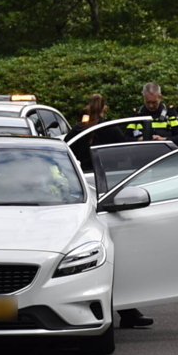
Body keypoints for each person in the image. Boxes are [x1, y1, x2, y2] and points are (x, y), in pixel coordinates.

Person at [64, 94, 151, 328]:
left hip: (78, 193)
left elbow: (64, 152)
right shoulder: (110, 130)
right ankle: (127, 312)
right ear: (105, 109)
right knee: (112, 256)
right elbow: (127, 153)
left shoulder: (77, 131)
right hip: (106, 190)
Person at [65, 93, 125, 172]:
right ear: (105, 108)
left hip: (84, 173)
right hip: (109, 173)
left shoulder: (79, 129)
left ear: (88, 107)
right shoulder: (112, 128)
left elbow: (66, 148)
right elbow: (123, 154)